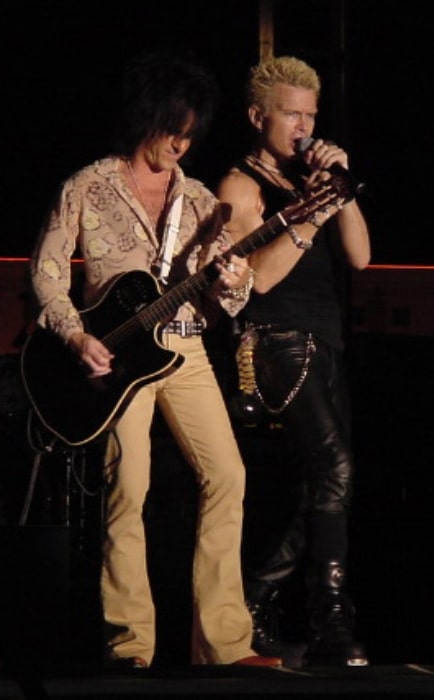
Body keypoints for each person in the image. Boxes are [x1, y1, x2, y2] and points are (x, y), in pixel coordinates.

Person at [27, 50, 282, 671]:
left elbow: (230, 295)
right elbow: (47, 273)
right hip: (117, 357)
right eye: (173, 128)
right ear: (147, 118)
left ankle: (223, 643)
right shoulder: (88, 186)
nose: (181, 143)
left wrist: (234, 280)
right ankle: (130, 645)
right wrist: (75, 337)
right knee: (129, 485)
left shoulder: (200, 202)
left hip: (185, 348)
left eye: (191, 133)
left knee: (228, 475)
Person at [215, 55, 371, 667]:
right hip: (277, 340)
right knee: (335, 467)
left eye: (310, 116)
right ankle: (331, 623)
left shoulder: (314, 178)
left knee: (324, 483)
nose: (303, 128)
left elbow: (360, 256)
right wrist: (310, 214)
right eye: (290, 115)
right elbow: (257, 280)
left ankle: (253, 602)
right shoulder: (241, 185)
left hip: (327, 338)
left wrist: (339, 190)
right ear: (259, 117)